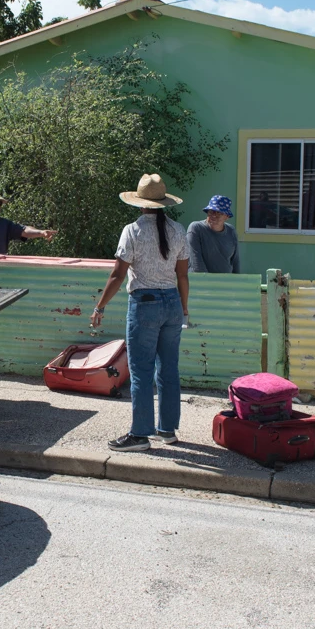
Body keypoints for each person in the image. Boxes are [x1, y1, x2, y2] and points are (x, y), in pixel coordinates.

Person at [90, 174, 190, 452]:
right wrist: (183, 307)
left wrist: (100, 306)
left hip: (145, 304)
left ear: (140, 204)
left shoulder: (132, 231)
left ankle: (140, 434)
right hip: (172, 304)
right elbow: (183, 276)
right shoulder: (179, 230)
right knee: (168, 369)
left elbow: (118, 274)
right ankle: (167, 430)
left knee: (141, 371)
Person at [186, 195, 241, 274]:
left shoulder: (231, 231)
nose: (214, 216)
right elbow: (197, 264)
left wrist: (237, 282)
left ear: (227, 216)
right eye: (211, 211)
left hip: (225, 283)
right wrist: (210, 284)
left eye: (219, 213)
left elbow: (235, 262)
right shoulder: (196, 228)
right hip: (200, 282)